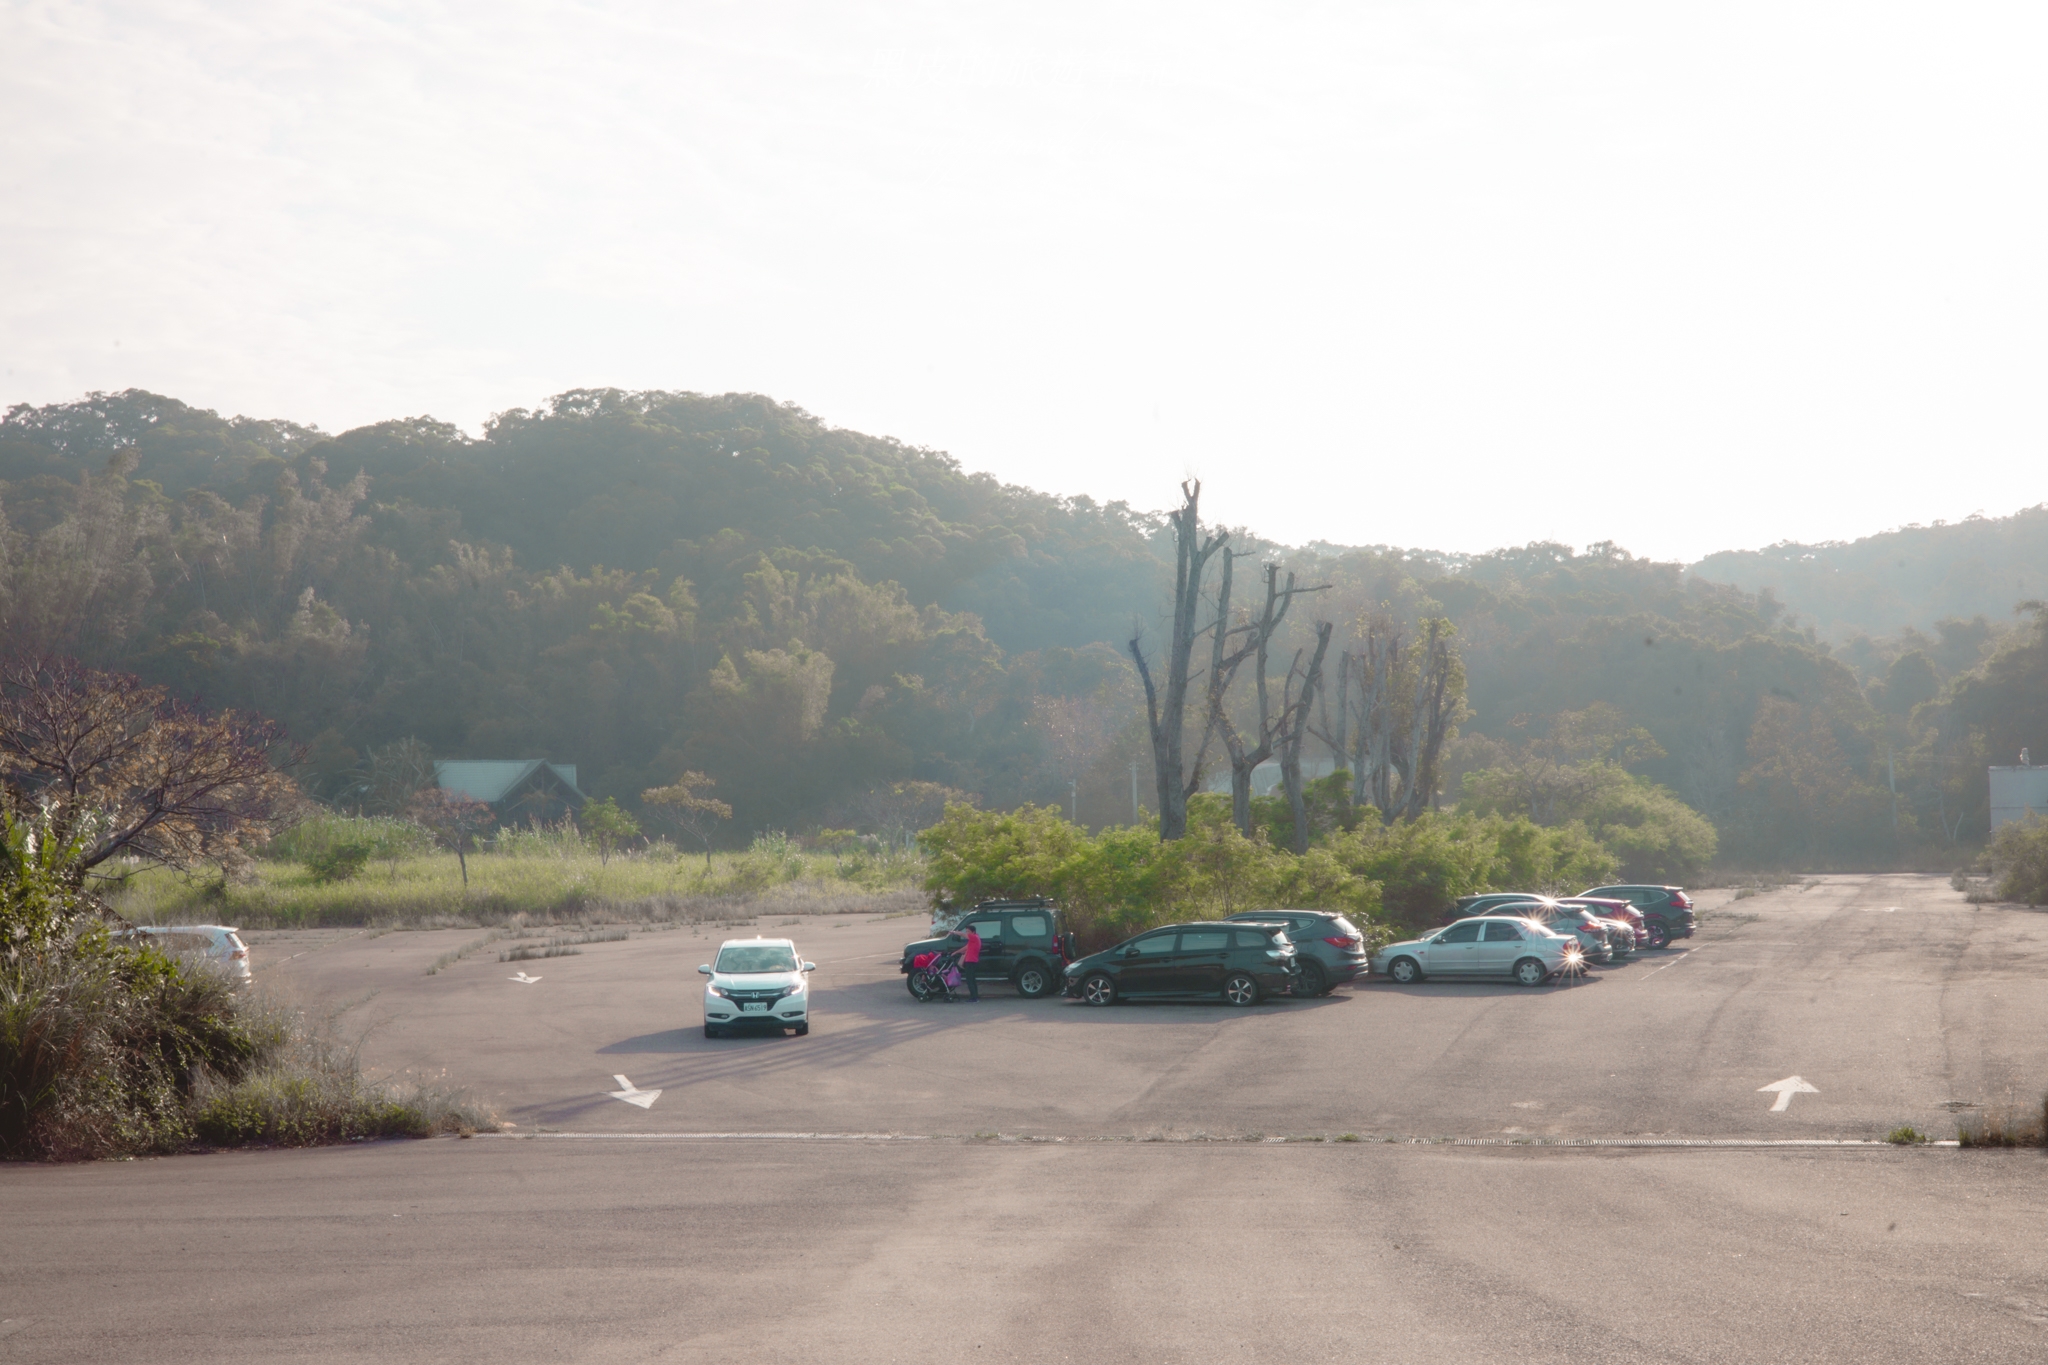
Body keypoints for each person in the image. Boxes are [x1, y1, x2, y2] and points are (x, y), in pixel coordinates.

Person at [953, 922, 981, 1001]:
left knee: (970, 980)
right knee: (972, 979)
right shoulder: (974, 939)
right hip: (970, 961)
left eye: (968, 931)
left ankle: (974, 997)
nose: (967, 933)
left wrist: (955, 932)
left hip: (971, 961)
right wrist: (956, 952)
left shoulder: (974, 937)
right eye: (966, 931)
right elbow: (966, 947)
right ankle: (975, 996)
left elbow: (962, 935)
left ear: (973, 932)